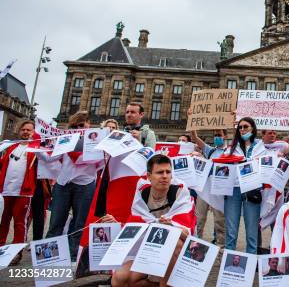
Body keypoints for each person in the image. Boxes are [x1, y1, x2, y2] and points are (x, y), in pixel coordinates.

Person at [110, 154, 194, 286]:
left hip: (172, 255)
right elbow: (134, 227)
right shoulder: (142, 194)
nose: (165, 176)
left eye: (168, 172)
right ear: (149, 176)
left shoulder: (180, 193)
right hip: (147, 250)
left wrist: (171, 226)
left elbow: (187, 235)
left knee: (176, 242)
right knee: (120, 280)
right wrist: (116, 224)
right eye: (160, 172)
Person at [45, 111, 101, 261]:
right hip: (64, 184)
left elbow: (99, 162)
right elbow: (51, 158)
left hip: (85, 185)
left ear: (89, 125)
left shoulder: (96, 141)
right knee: (56, 222)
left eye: (83, 125)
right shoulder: (66, 139)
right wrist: (39, 146)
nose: (80, 127)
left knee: (79, 223)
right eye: (77, 125)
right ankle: (48, 260)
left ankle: (72, 257)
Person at [223, 117, 264, 254]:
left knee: (252, 232)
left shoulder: (261, 146)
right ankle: (227, 266)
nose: (242, 130)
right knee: (231, 231)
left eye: (245, 127)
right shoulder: (231, 148)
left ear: (253, 128)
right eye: (240, 127)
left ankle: (251, 264)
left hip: (252, 189)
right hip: (233, 189)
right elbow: (220, 163)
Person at [0, 120, 38, 265]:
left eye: (29, 130)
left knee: (19, 223)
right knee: (3, 222)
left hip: (24, 192)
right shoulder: (10, 147)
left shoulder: (36, 148)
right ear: (19, 131)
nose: (26, 132)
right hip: (5, 190)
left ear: (33, 132)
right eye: (23, 129)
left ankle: (16, 253)